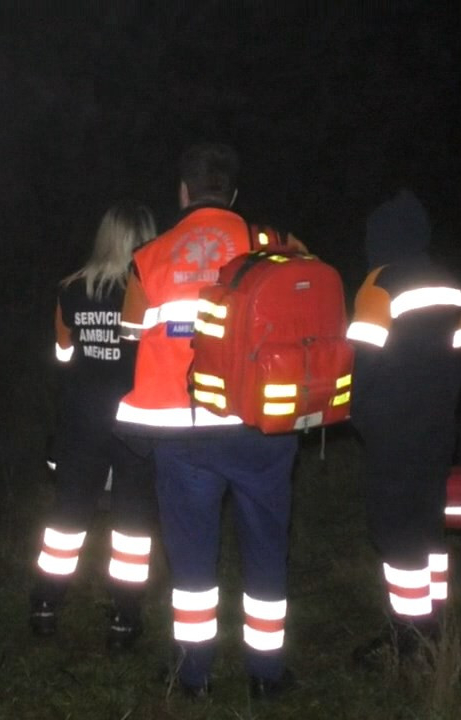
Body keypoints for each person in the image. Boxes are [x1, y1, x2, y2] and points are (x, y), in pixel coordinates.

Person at [116, 143, 304, 699]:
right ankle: (266, 676)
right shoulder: (274, 242)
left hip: (184, 435)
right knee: (265, 550)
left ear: (183, 192)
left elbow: (129, 334)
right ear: (234, 193)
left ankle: (193, 675)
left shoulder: (149, 257)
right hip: (259, 426)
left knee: (192, 560)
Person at [29, 201, 159, 651]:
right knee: (132, 524)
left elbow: (63, 356)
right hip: (134, 422)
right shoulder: (151, 292)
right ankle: (124, 617)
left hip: (81, 419)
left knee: (67, 516)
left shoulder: (70, 290)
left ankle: (45, 605)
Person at [345, 189, 461, 666]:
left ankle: (408, 637)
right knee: (429, 527)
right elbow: (458, 361)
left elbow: (363, 365)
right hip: (438, 426)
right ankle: (436, 622)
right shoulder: (450, 284)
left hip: (393, 432)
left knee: (396, 533)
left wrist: (363, 418)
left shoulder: (379, 285)